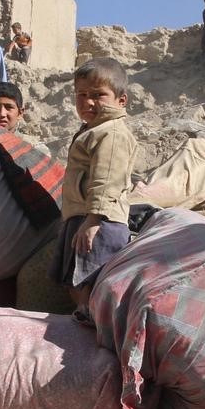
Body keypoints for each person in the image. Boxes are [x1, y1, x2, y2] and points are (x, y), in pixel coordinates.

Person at [48, 57, 137, 323]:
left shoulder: (112, 133)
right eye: (82, 95)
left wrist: (94, 218)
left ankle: (96, 320)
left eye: (99, 95)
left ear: (121, 101)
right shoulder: (92, 130)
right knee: (73, 278)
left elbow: (106, 178)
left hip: (101, 222)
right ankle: (85, 314)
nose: (88, 102)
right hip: (82, 218)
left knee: (91, 276)